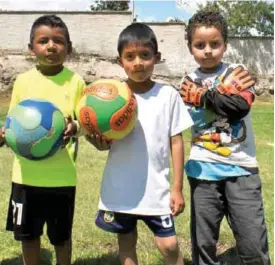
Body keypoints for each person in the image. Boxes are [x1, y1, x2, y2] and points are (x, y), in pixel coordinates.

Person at [86, 22, 194, 265]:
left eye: (145, 55)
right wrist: (100, 144)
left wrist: (176, 188)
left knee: (169, 244)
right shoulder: (110, 97)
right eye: (130, 56)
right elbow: (102, 138)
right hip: (121, 189)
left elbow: (176, 142)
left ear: (156, 57)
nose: (138, 63)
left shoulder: (168, 95)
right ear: (120, 60)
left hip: (157, 190)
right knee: (126, 241)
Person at [179, 11, 271, 265]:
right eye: (200, 45)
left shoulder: (238, 71)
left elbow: (240, 107)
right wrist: (220, 97)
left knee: (253, 242)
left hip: (241, 169)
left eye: (214, 43)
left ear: (225, 45)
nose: (207, 50)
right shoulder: (187, 81)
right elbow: (192, 120)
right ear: (190, 47)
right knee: (203, 243)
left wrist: (204, 97)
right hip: (202, 169)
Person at [0, 15, 86, 265]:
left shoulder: (76, 81)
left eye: (59, 41)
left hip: (62, 176)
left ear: (68, 48)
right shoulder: (23, 82)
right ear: (31, 48)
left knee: (61, 237)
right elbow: (13, 124)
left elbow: (84, 124)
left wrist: (75, 127)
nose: (51, 46)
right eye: (43, 40)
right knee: (27, 235)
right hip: (25, 177)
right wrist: (4, 136)